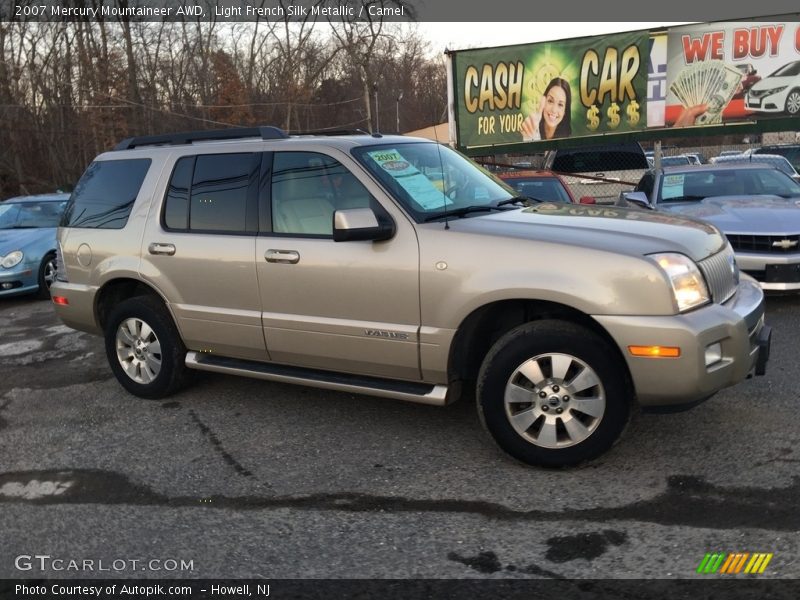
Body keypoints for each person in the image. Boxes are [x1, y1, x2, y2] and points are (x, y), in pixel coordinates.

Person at [520, 77, 572, 141]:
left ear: (565, 111)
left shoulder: (568, 141)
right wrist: (528, 137)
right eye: (550, 101)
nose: (554, 110)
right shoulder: (533, 127)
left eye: (560, 105)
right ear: (544, 101)